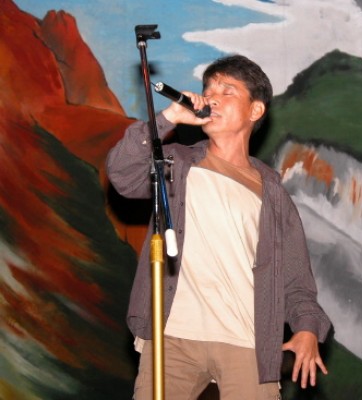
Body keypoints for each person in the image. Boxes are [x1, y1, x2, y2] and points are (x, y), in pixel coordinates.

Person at [106, 54, 332, 400]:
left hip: (245, 338)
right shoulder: (175, 163)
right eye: (208, 90)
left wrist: (307, 328)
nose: (212, 97)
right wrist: (168, 118)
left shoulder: (272, 192)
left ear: (255, 110)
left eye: (228, 91)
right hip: (172, 335)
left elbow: (296, 278)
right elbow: (122, 174)